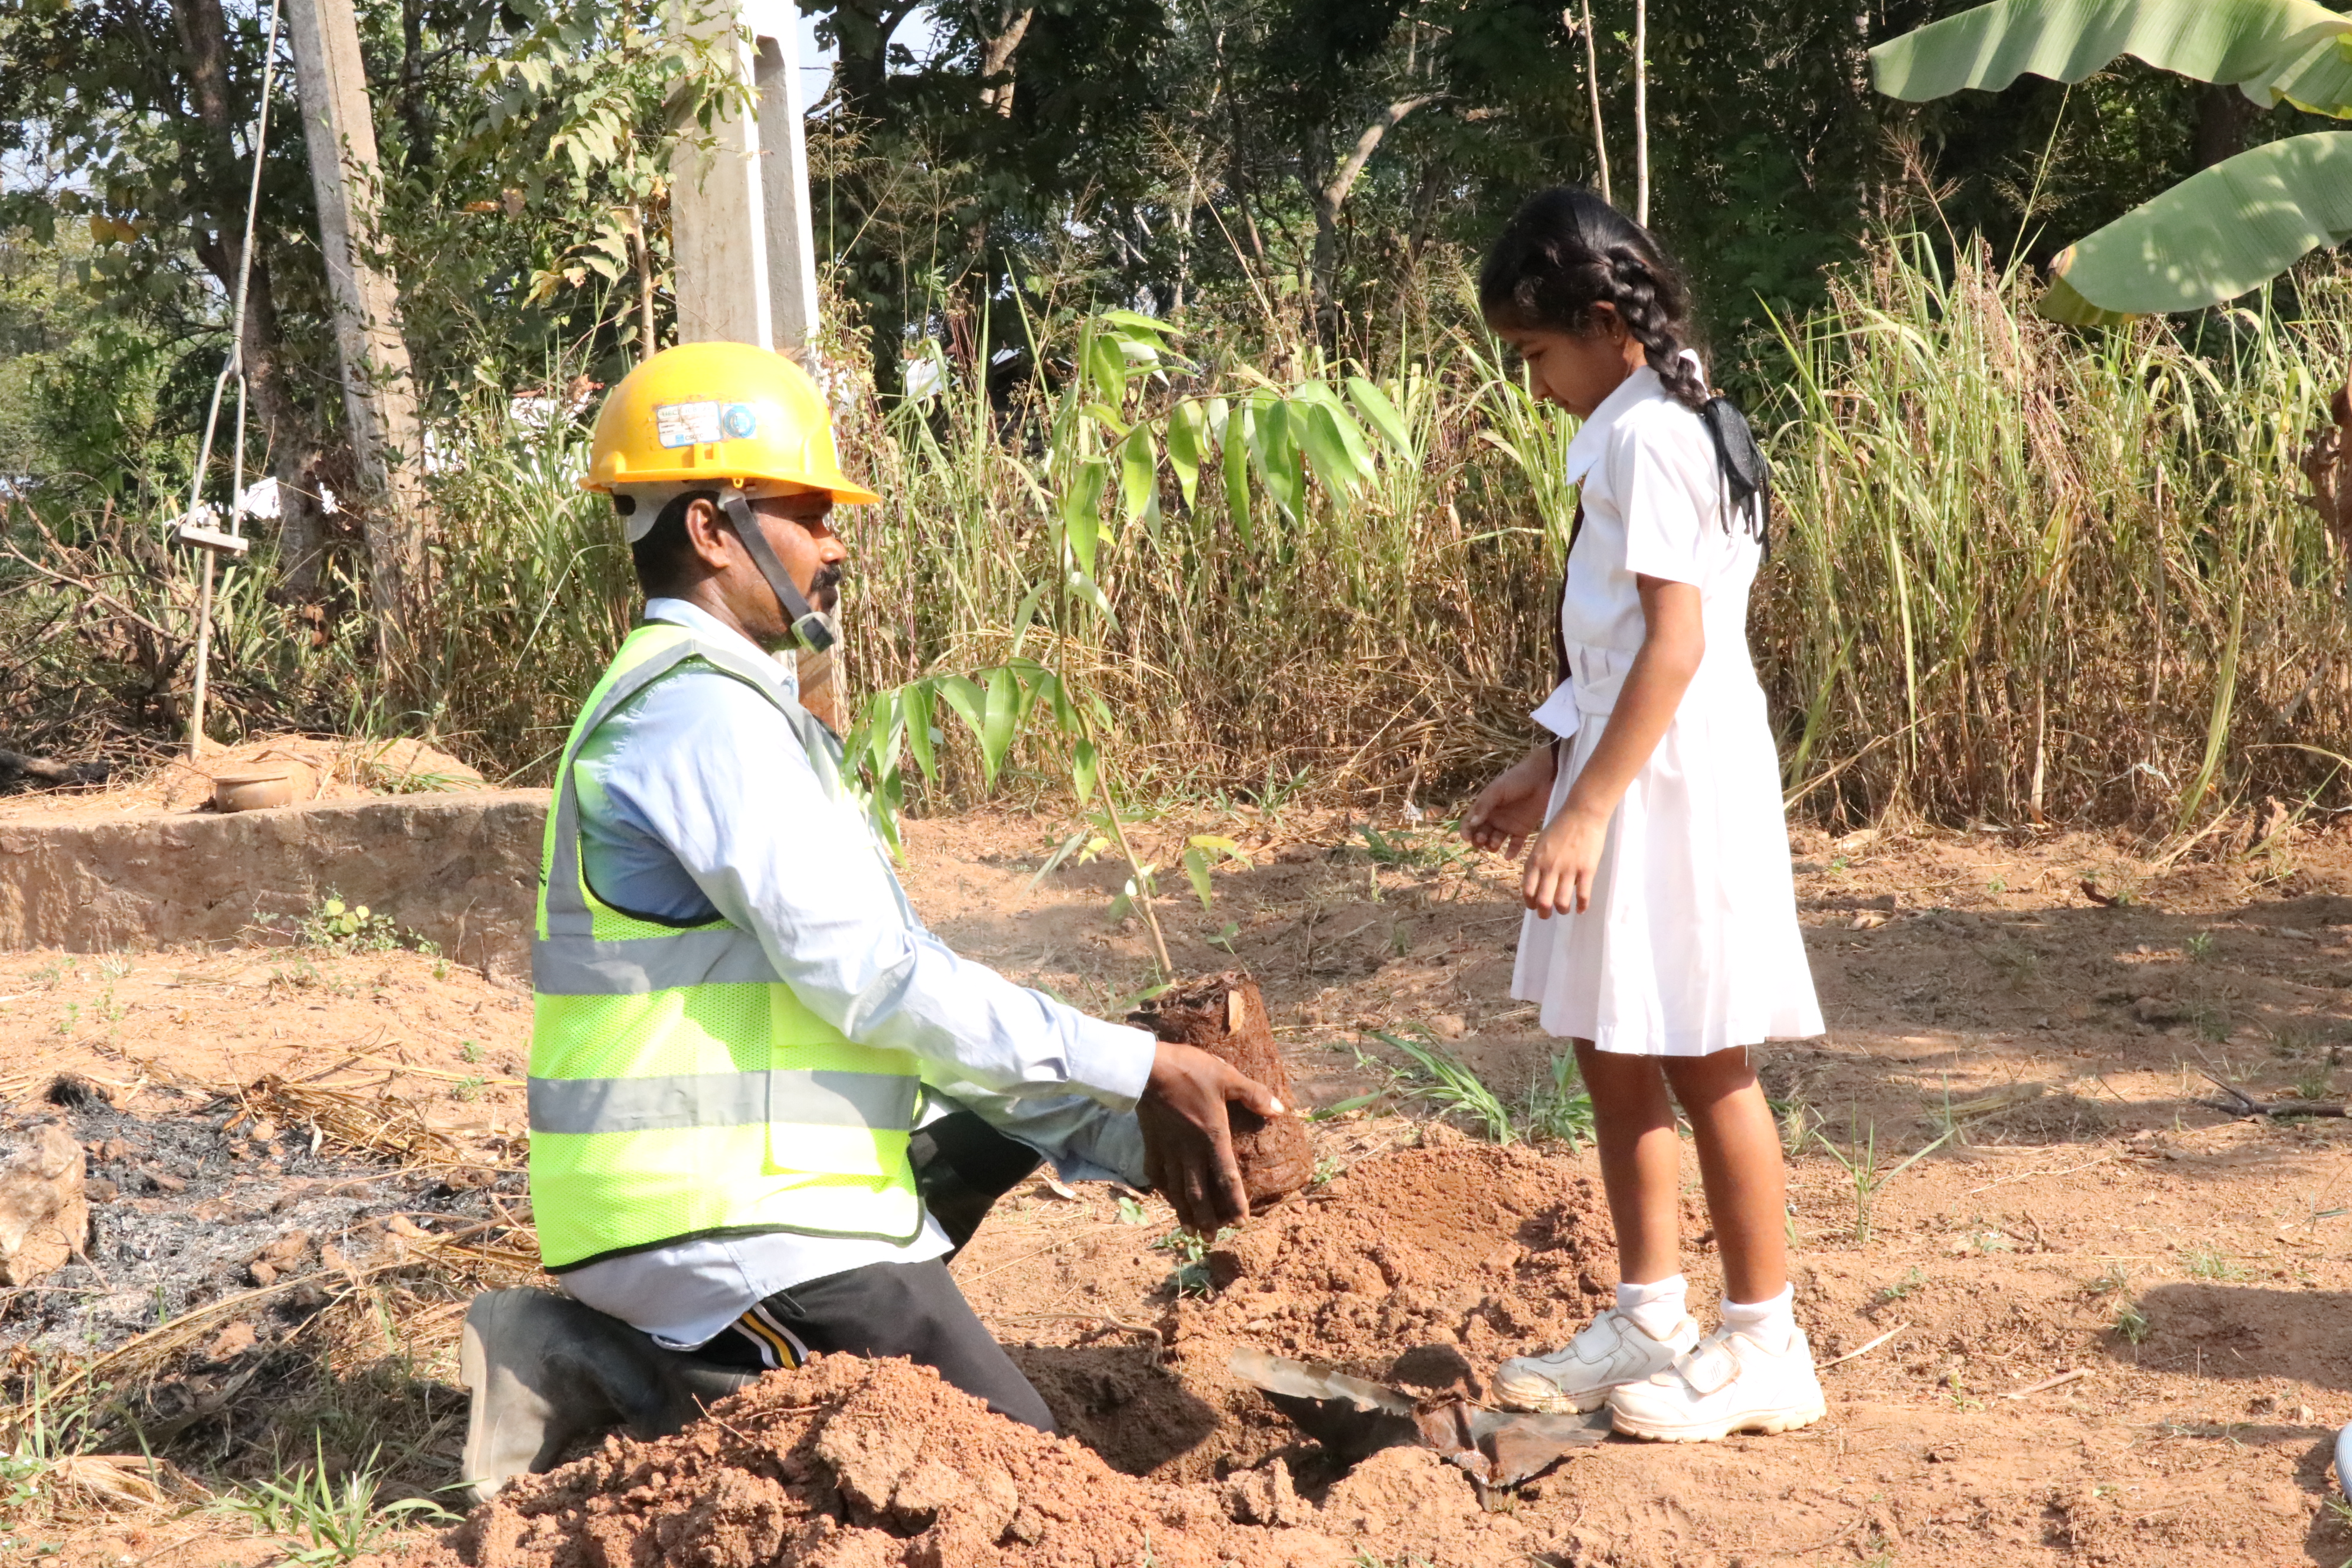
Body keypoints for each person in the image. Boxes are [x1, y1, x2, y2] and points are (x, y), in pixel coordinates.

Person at [459, 340, 1281, 1498]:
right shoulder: (704, 721)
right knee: (1024, 1489)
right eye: (808, 511)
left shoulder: (723, 702)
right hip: (727, 1230)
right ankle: (639, 1382)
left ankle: (652, 1360)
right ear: (712, 530)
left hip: (763, 1189)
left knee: (1003, 1121)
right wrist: (1137, 1062)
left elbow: (885, 1002)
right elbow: (883, 983)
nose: (837, 539)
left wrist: (1118, 1122)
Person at [1460, 188, 1826, 1443]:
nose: (1534, 378)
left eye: (1537, 352)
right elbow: (1615, 642)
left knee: (1705, 1052)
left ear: (1604, 321)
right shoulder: (1640, 422)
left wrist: (1590, 810)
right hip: (1624, 769)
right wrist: (1548, 759)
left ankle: (1766, 1340)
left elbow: (1678, 647)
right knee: (1615, 1046)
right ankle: (1650, 1312)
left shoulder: (1652, 435)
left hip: (1670, 786)